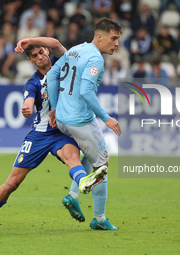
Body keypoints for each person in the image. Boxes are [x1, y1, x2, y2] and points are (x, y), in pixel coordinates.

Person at [0, 37, 108, 229]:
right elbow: (28, 100)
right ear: (31, 61)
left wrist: (29, 40)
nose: (40, 56)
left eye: (42, 51)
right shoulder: (34, 82)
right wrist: (26, 108)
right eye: (34, 55)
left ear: (48, 51)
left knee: (72, 157)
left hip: (62, 131)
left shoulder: (66, 64)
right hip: (40, 135)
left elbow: (57, 43)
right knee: (12, 183)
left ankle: (82, 184)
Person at [47, 18, 122, 230]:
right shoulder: (95, 59)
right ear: (100, 36)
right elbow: (86, 92)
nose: (116, 43)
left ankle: (72, 194)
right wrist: (107, 118)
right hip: (80, 120)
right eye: (113, 38)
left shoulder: (75, 50)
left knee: (91, 156)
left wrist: (54, 107)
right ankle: (99, 219)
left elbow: (52, 75)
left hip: (62, 118)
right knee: (102, 166)